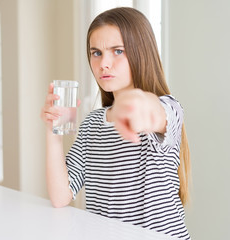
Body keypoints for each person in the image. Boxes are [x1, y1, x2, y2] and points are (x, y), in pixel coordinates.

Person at [41, 7, 191, 239]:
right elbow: (61, 196)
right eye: (96, 53)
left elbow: (151, 111)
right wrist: (53, 132)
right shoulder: (92, 124)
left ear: (142, 53)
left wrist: (129, 105)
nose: (104, 64)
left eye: (117, 51)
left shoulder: (169, 108)